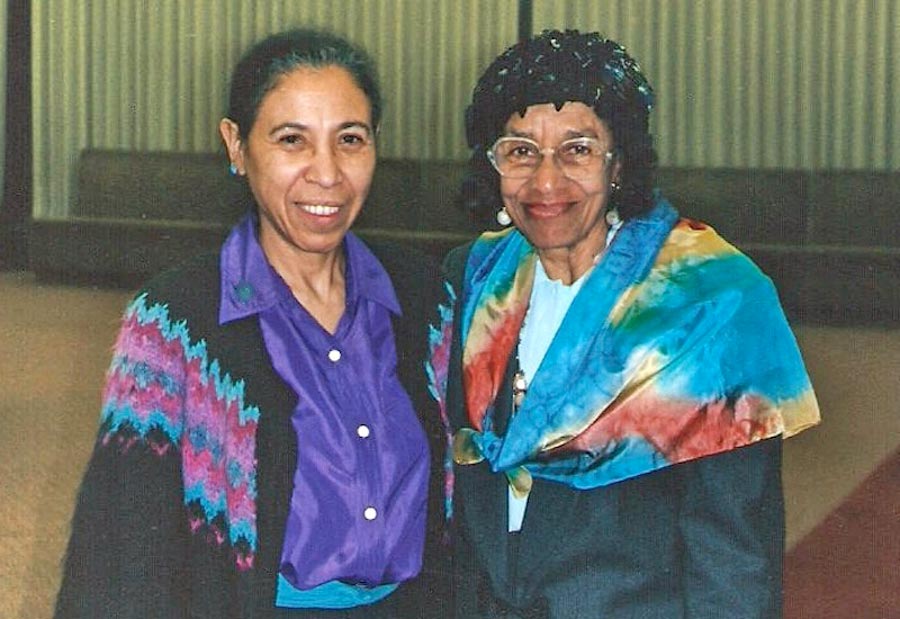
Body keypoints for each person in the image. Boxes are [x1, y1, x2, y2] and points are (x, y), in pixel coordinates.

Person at [426, 29, 821, 618]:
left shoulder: (709, 302)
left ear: (620, 163)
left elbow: (735, 560)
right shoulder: (476, 278)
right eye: (520, 151)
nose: (546, 182)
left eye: (578, 149)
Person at [56, 28, 443, 618]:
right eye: (292, 140)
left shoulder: (425, 299)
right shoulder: (175, 323)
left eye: (351, 139)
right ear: (236, 146)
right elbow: (118, 549)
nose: (328, 173)